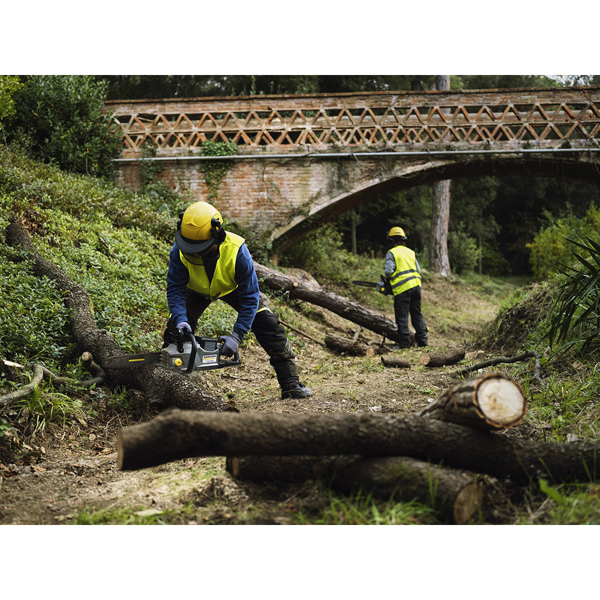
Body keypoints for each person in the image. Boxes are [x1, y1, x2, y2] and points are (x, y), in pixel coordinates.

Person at [163, 201, 312, 400]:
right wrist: (181, 318)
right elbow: (175, 287)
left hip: (232, 288)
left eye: (200, 247)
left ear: (217, 234)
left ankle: (291, 383)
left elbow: (250, 297)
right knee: (176, 329)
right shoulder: (179, 250)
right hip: (196, 290)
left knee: (268, 323)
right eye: (191, 247)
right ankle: (171, 382)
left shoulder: (236, 249)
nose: (195, 252)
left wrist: (237, 335)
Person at [381, 226, 428, 349]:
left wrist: (388, 281)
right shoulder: (410, 252)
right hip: (416, 286)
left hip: (403, 289)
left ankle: (404, 343)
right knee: (416, 313)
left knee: (402, 316)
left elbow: (388, 272)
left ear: (391, 240)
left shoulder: (392, 253)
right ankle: (423, 342)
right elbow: (417, 269)